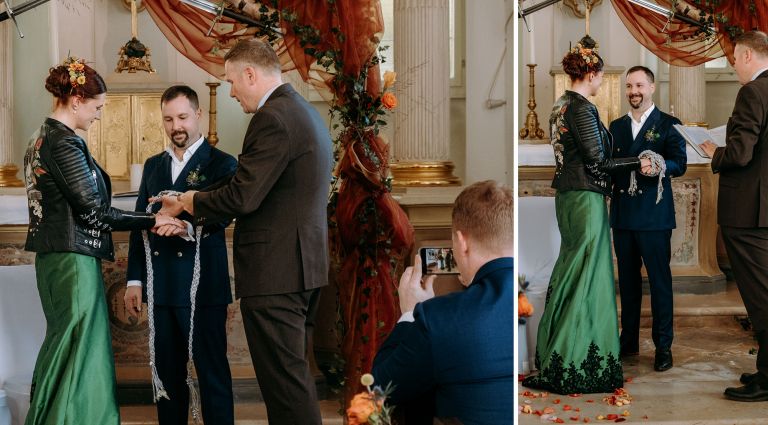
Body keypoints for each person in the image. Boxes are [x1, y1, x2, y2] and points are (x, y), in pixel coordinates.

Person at [157, 39, 332, 423]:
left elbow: (243, 195)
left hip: (277, 273)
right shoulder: (301, 111)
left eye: (232, 81)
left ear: (250, 74)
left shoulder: (272, 117)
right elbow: (254, 185)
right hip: (301, 266)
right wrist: (192, 199)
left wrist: (188, 202)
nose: (232, 91)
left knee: (284, 386)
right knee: (291, 381)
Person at [22, 57, 182, 425]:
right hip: (72, 261)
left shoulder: (41, 137)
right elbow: (95, 213)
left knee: (67, 345)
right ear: (75, 101)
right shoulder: (63, 143)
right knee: (81, 351)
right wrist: (154, 218)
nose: (98, 115)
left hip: (57, 258)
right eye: (96, 107)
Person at [522, 35, 651, 394]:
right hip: (584, 197)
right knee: (586, 277)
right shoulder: (581, 107)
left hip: (570, 196)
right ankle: (574, 361)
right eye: (600, 74)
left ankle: (559, 354)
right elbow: (598, 161)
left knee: (572, 270)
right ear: (590, 73)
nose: (601, 80)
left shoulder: (559, 104)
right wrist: (637, 161)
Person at [123, 85, 237, 424]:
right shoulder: (153, 165)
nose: (177, 126)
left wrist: (186, 228)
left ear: (198, 115)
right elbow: (140, 223)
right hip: (162, 288)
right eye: (169, 119)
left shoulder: (221, 164)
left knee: (211, 371)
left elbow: (223, 214)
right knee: (168, 375)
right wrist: (134, 280)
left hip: (204, 288)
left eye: (183, 117)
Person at [372, 180, 514, 425]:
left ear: (461, 242)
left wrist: (410, 314)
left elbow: (377, 389)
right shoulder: (528, 300)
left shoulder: (436, 318)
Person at [701, 30, 768, 402]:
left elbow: (740, 154)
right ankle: (765, 370)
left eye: (733, 58)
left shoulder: (752, 92)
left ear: (746, 56)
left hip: (748, 214)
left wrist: (714, 151)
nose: (731, 65)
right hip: (764, 208)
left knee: (761, 298)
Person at [609, 66, 687, 372]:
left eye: (639, 85)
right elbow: (608, 164)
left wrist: (659, 166)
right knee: (626, 284)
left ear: (652, 87)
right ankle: (628, 341)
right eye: (629, 86)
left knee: (659, 283)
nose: (634, 91)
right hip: (624, 217)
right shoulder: (615, 126)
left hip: (654, 218)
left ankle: (663, 346)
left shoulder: (668, 124)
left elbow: (679, 163)